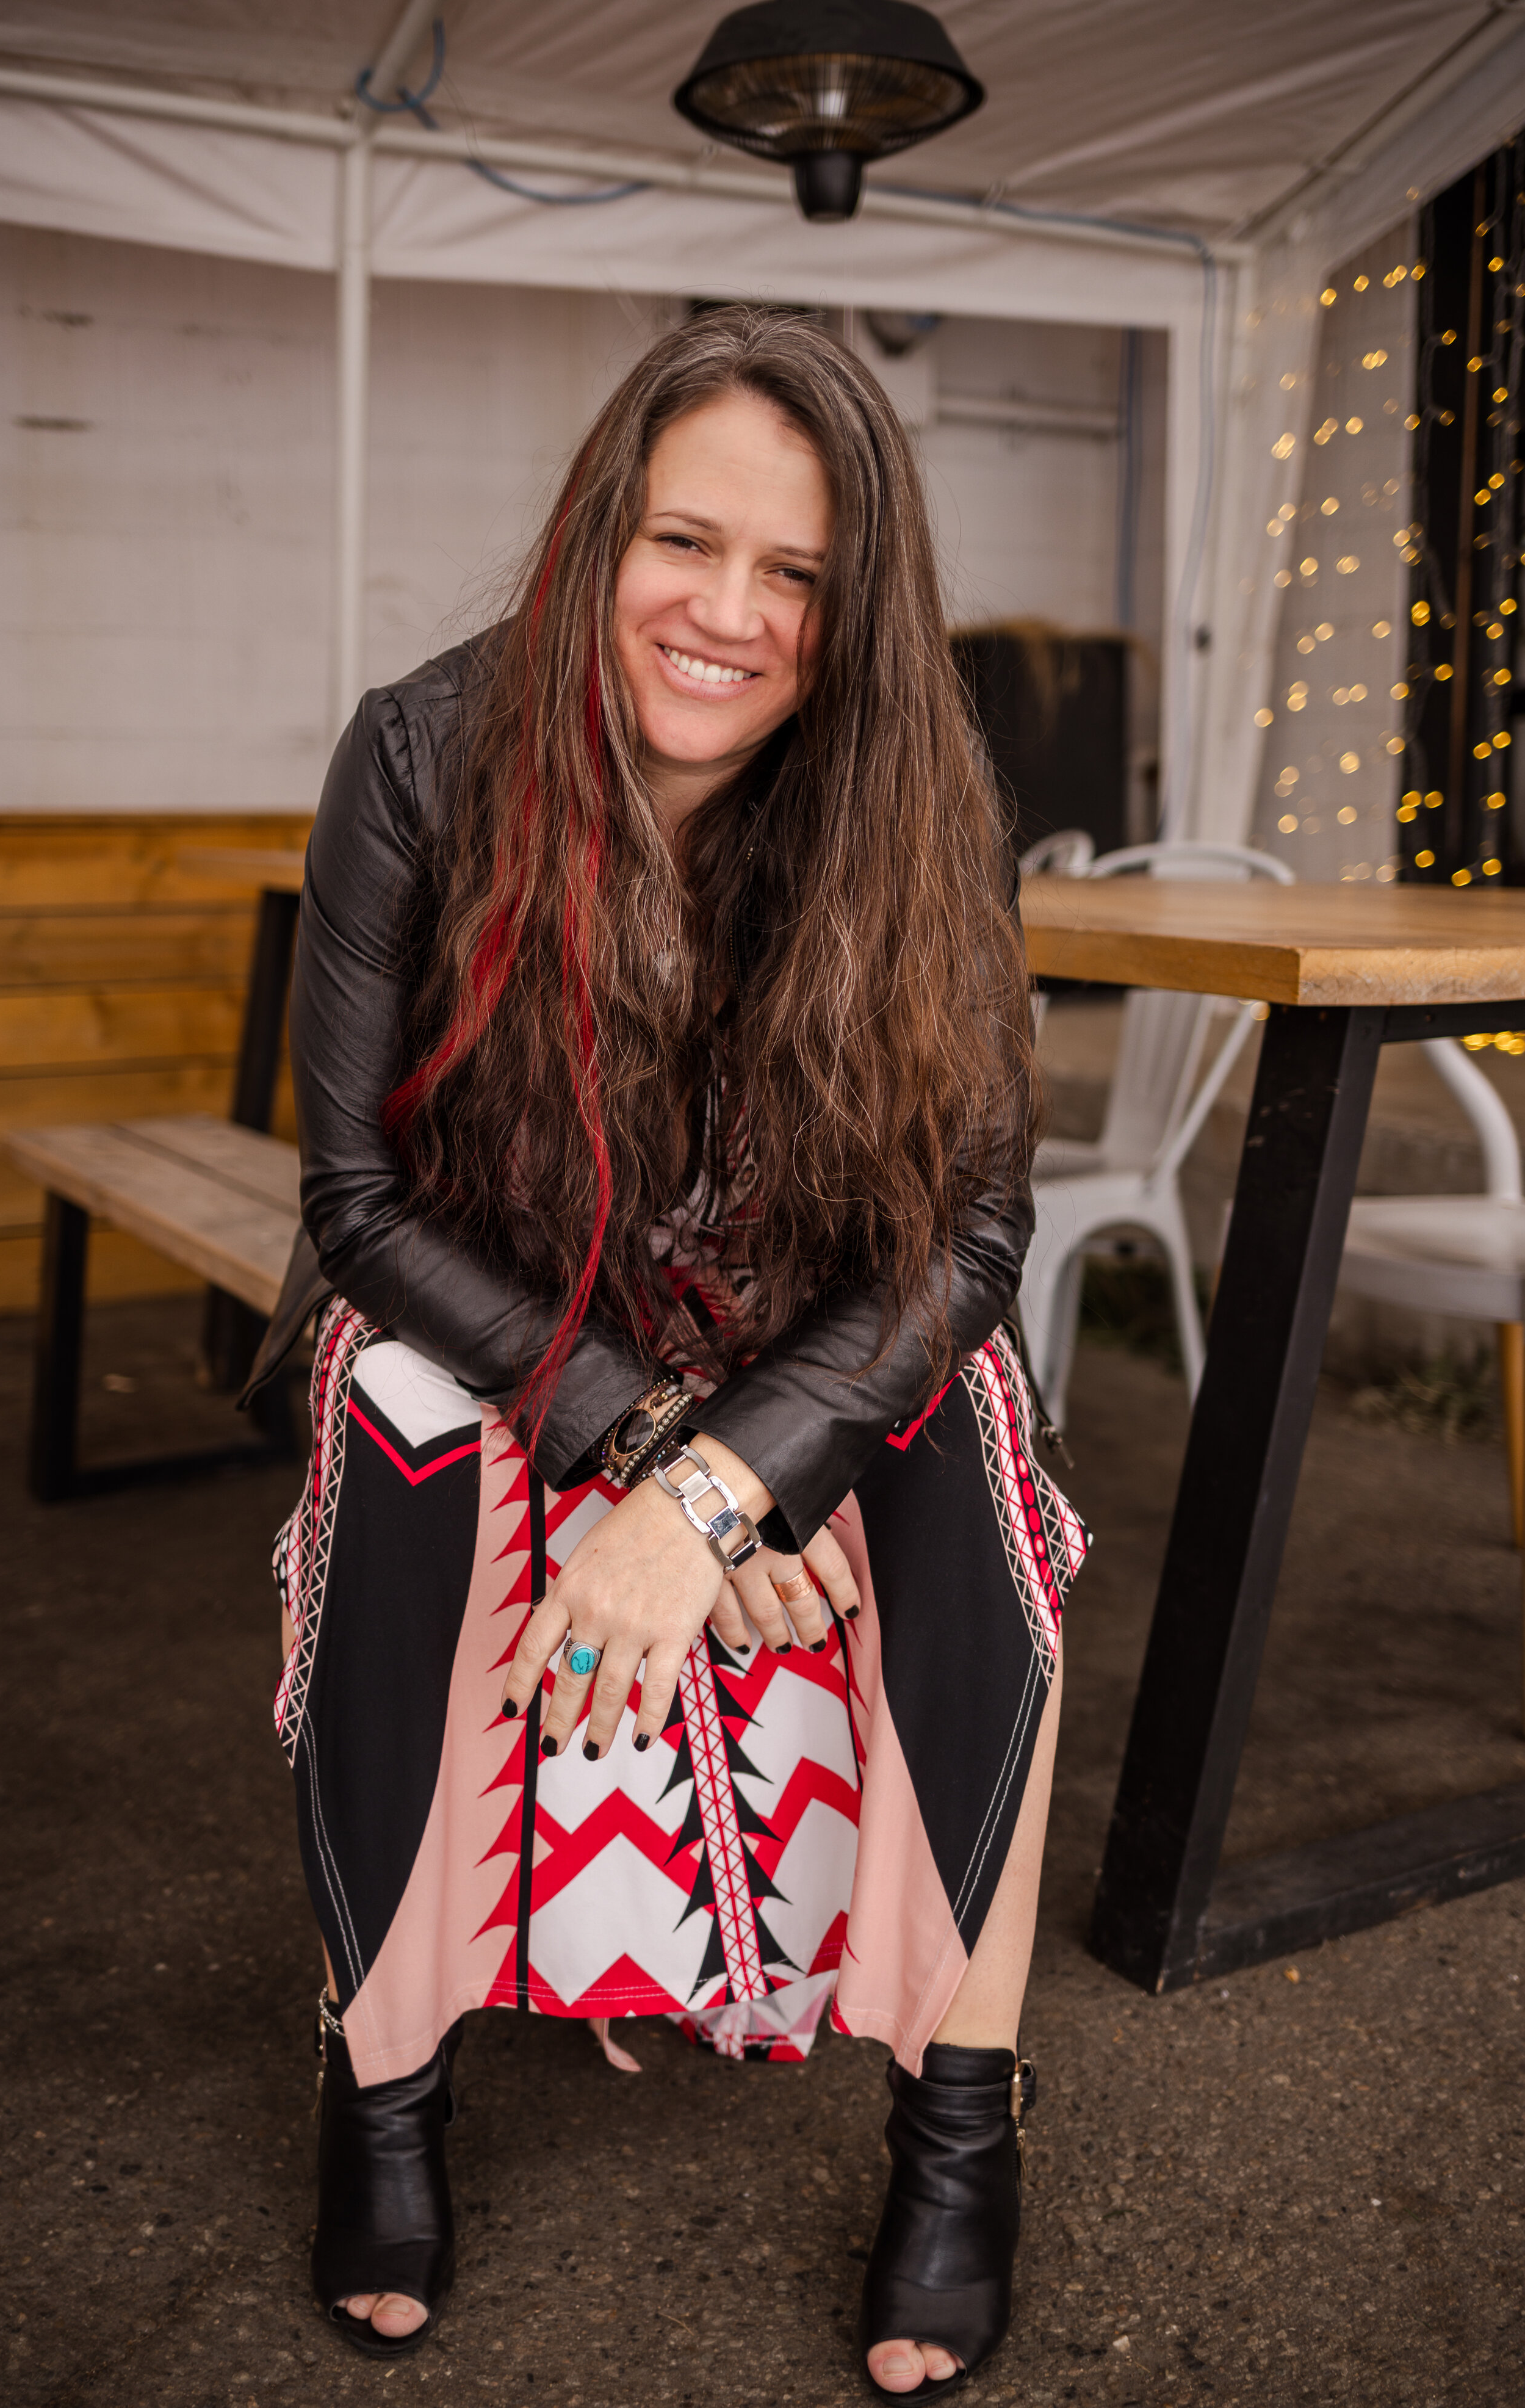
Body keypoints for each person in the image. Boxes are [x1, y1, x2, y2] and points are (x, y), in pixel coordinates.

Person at [246, 304, 1087, 2400]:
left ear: (854, 608)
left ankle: (961, 2125)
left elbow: (974, 1228)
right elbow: (357, 1204)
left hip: (793, 1327)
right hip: (497, 1304)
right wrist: (648, 1440)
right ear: (598, 532)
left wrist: (723, 1481)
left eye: (797, 572)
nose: (729, 613)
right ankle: (381, 2079)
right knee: (386, 1422)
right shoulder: (422, 754)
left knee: (978, 1435)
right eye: (686, 541)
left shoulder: (919, 789)